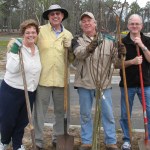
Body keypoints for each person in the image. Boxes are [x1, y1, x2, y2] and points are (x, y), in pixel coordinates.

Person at [72, 12, 120, 150]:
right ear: (81, 25)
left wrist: (121, 53)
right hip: (84, 84)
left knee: (108, 114)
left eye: (89, 20)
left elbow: (116, 62)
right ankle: (87, 141)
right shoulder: (77, 39)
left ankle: (110, 141)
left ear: (95, 23)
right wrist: (90, 47)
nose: (87, 23)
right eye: (84, 21)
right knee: (85, 114)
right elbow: (79, 53)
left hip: (103, 84)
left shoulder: (108, 40)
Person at [33, 4, 73, 150]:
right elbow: (28, 41)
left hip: (62, 80)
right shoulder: (40, 31)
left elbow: (72, 59)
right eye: (52, 14)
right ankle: (37, 140)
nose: (55, 16)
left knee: (61, 112)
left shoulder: (68, 34)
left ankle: (58, 138)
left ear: (62, 16)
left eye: (58, 14)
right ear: (48, 17)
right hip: (43, 79)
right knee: (39, 113)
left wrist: (71, 49)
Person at [0, 19, 41, 150]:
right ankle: (4, 141)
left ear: (37, 34)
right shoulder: (16, 47)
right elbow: (11, 68)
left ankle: (17, 144)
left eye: (33, 32)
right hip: (12, 91)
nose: (31, 35)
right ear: (23, 33)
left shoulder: (37, 49)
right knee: (8, 120)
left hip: (30, 91)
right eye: (27, 32)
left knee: (22, 121)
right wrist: (14, 50)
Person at [117, 14, 150, 150]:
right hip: (127, 84)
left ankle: (148, 138)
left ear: (141, 26)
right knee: (126, 114)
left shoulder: (147, 40)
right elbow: (116, 64)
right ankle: (127, 139)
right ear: (128, 25)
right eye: (132, 24)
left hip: (146, 83)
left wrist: (142, 46)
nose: (135, 26)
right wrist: (132, 62)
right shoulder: (121, 42)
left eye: (137, 24)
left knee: (149, 111)